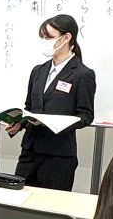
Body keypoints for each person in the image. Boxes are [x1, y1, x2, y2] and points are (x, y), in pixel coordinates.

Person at [6, 14, 96, 191]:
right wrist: (20, 123)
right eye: (43, 37)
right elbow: (30, 108)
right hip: (30, 152)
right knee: (18, 205)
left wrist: (56, 122)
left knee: (51, 210)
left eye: (49, 37)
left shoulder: (82, 74)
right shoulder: (38, 71)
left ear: (67, 37)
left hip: (58, 156)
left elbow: (86, 116)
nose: (45, 41)